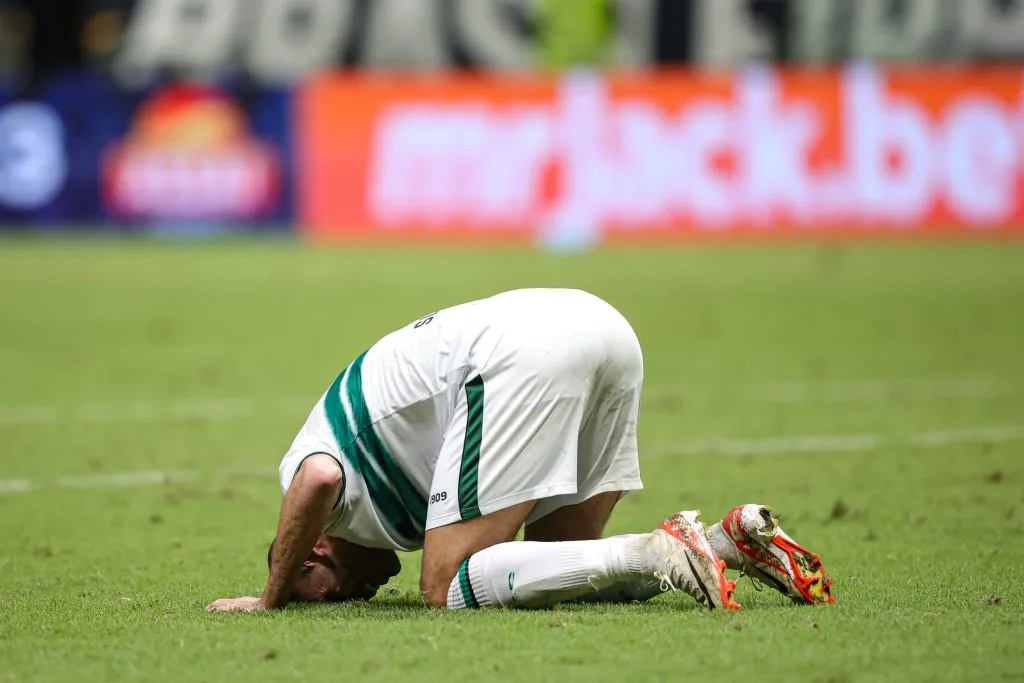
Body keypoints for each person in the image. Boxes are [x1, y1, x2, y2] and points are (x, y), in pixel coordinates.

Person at [206, 289, 833, 612]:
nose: (350, 598)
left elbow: (315, 480)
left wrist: (270, 598)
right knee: (565, 568)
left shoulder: (317, 479)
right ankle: (729, 542)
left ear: (312, 547)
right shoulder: (371, 510)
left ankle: (666, 546)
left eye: (324, 588)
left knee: (444, 586)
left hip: (521, 354)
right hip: (606, 328)